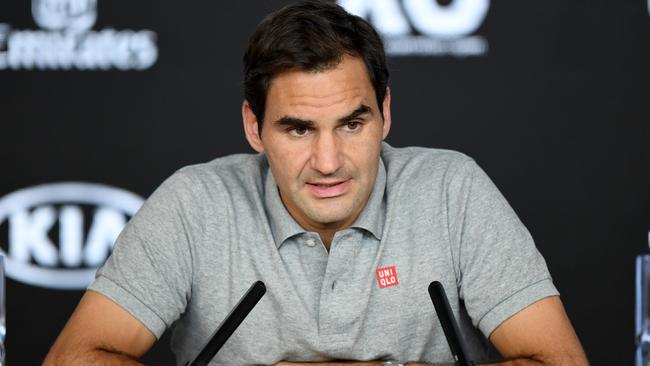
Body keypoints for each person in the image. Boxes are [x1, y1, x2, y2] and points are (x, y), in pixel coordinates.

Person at [44, 1, 589, 365]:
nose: (328, 162)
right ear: (253, 127)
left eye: (353, 124)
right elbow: (73, 358)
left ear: (386, 114)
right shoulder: (195, 203)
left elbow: (561, 362)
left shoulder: (453, 191)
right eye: (298, 128)